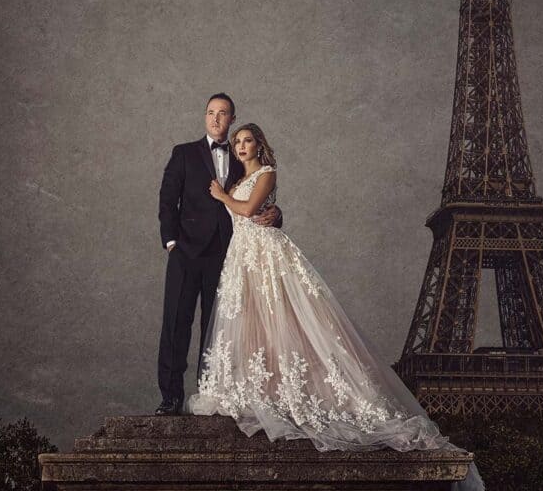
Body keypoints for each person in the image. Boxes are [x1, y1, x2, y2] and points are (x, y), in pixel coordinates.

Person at [187, 123, 484, 491]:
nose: (242, 146)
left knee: (289, 320)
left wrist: (224, 197)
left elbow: (248, 210)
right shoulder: (231, 179)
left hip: (265, 253)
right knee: (252, 324)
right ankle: (263, 388)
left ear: (259, 146)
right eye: (238, 142)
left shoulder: (265, 173)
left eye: (248, 140)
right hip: (241, 259)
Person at [155, 95, 283, 415]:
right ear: (204, 117)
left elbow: (257, 196)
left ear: (232, 119)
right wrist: (172, 243)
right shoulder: (184, 153)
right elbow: (168, 199)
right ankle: (170, 398)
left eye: (222, 114)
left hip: (225, 257)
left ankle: (209, 395)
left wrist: (277, 213)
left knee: (218, 329)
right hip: (186, 253)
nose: (215, 119)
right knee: (176, 324)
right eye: (210, 113)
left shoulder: (242, 157)